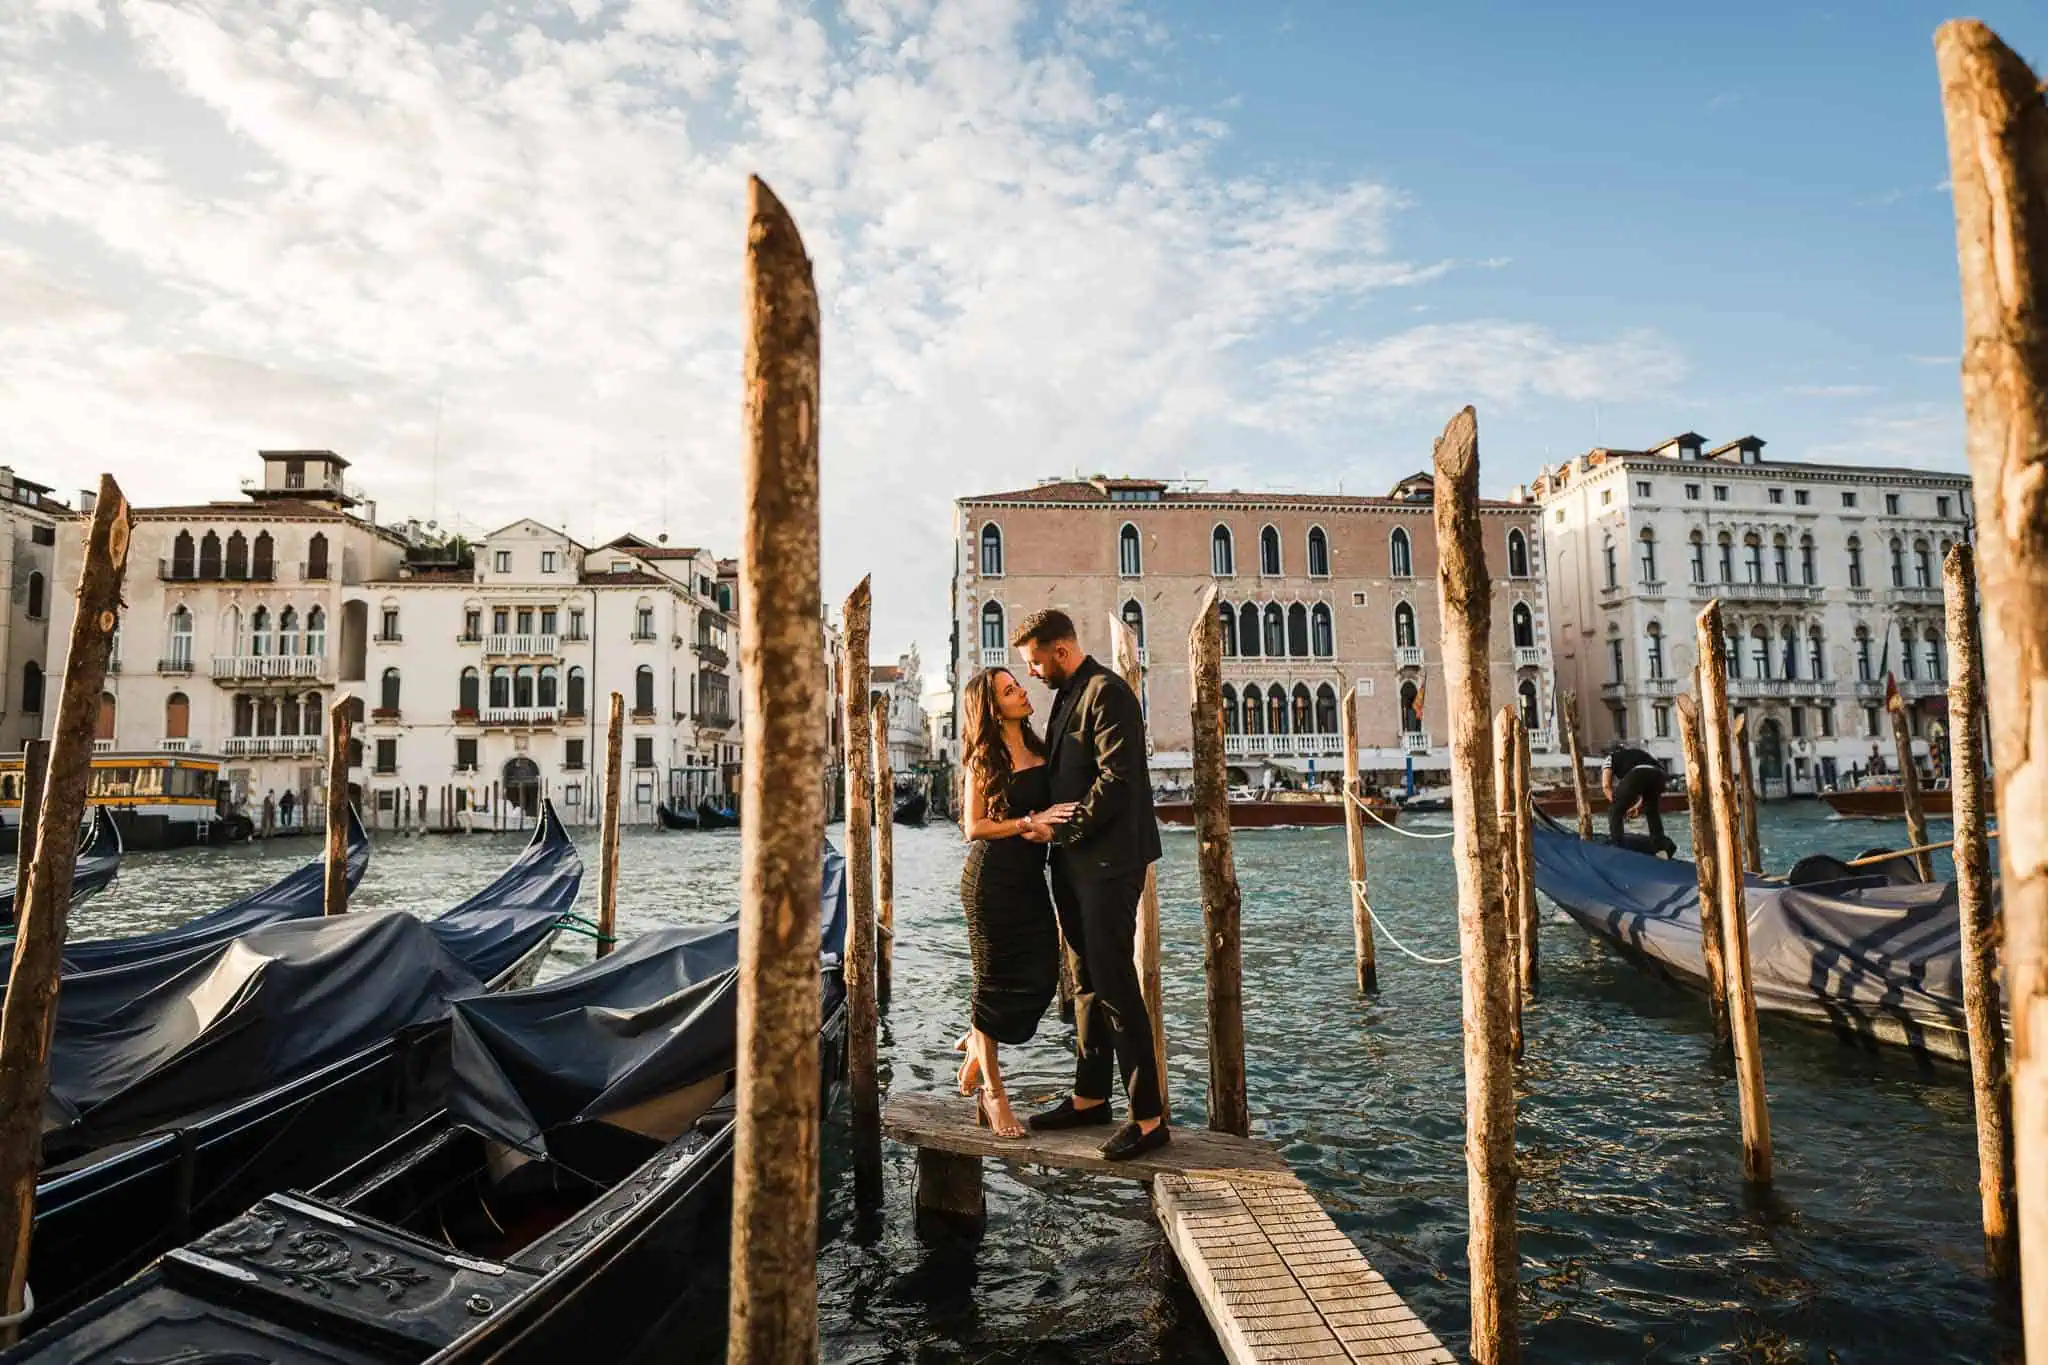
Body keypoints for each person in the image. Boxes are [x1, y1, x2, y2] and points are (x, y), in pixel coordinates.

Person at [1012, 608, 1168, 1161]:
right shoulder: (1066, 698)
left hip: (1109, 862)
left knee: (1114, 979)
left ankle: (1148, 1119)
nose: (1032, 672)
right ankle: (1090, 1096)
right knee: (1083, 980)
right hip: (1074, 864)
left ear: (1060, 650)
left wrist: (1062, 826)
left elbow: (1118, 779)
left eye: (1035, 661)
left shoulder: (1108, 693)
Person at [954, 667, 1075, 1138]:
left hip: (1029, 881)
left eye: (1018, 686)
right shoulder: (984, 759)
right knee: (992, 985)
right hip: (990, 883)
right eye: (1010, 690)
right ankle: (994, 1094)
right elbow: (974, 827)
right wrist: (1030, 820)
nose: (1022, 691)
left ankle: (974, 1042)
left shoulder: (1042, 749)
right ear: (992, 707)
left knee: (1043, 975)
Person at [1602, 744, 1674, 856]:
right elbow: (1646, 788)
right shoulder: (1637, 753)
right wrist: (1637, 807)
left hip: (1638, 773)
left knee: (1614, 811)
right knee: (1652, 812)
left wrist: (1618, 805)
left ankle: (1617, 848)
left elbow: (1606, 786)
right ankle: (1661, 849)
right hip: (1659, 775)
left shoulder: (1610, 757)